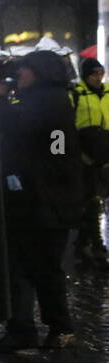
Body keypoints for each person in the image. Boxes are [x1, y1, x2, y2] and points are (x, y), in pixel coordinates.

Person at [0, 50, 83, 352]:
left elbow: (17, 126)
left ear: (39, 72)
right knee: (26, 266)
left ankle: (58, 328)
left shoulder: (48, 101)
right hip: (36, 200)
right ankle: (25, 329)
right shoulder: (48, 98)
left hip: (45, 202)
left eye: (24, 70)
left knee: (42, 267)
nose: (19, 75)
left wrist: (0, 98)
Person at [71, 57, 109, 268]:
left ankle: (84, 244)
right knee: (92, 203)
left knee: (94, 203)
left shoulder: (108, 92)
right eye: (94, 73)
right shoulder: (76, 93)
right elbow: (65, 127)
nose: (98, 77)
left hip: (105, 156)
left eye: (100, 72)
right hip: (85, 158)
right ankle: (95, 245)